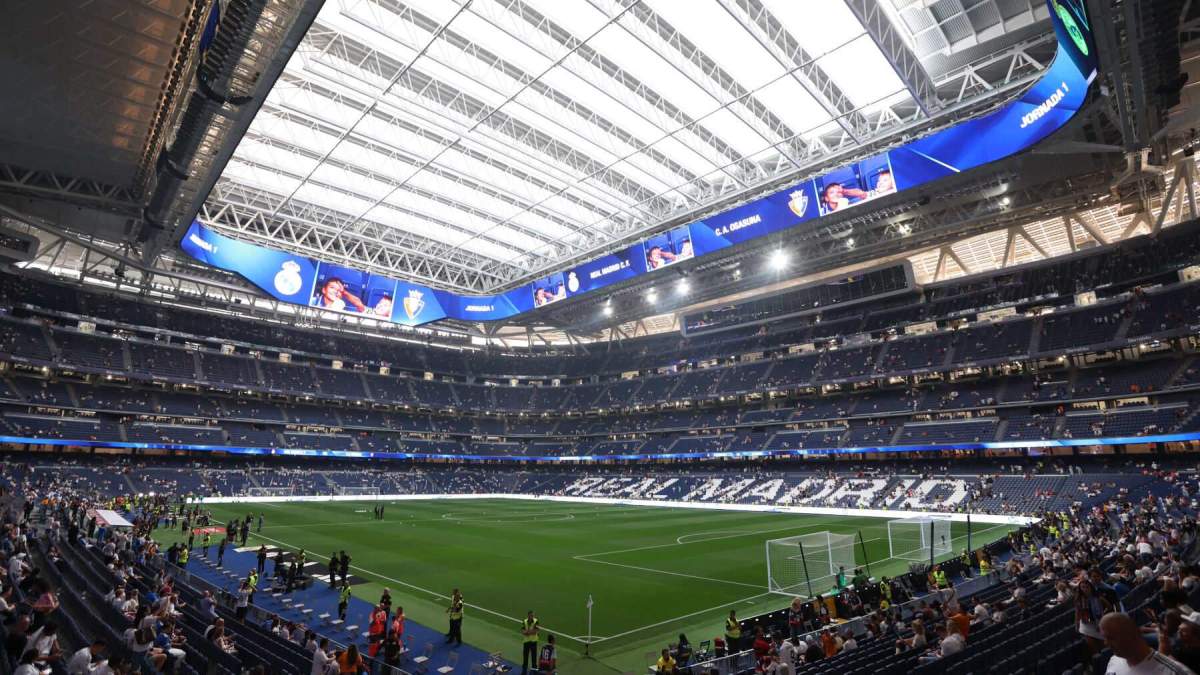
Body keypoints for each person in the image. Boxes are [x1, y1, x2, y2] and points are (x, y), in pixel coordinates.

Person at [1102, 612, 1195, 674]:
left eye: (1110, 637)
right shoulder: (1113, 660)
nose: (1106, 643)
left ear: (1133, 634)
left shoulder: (1176, 672)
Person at [520, 610, 539, 675]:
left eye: (533, 615)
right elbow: (522, 631)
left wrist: (527, 632)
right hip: (526, 642)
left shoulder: (536, 621)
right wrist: (529, 632)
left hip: (534, 642)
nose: (532, 617)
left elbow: (536, 631)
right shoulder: (524, 621)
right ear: (528, 616)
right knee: (525, 658)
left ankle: (534, 671)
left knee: (534, 658)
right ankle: (524, 671)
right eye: (531, 615)